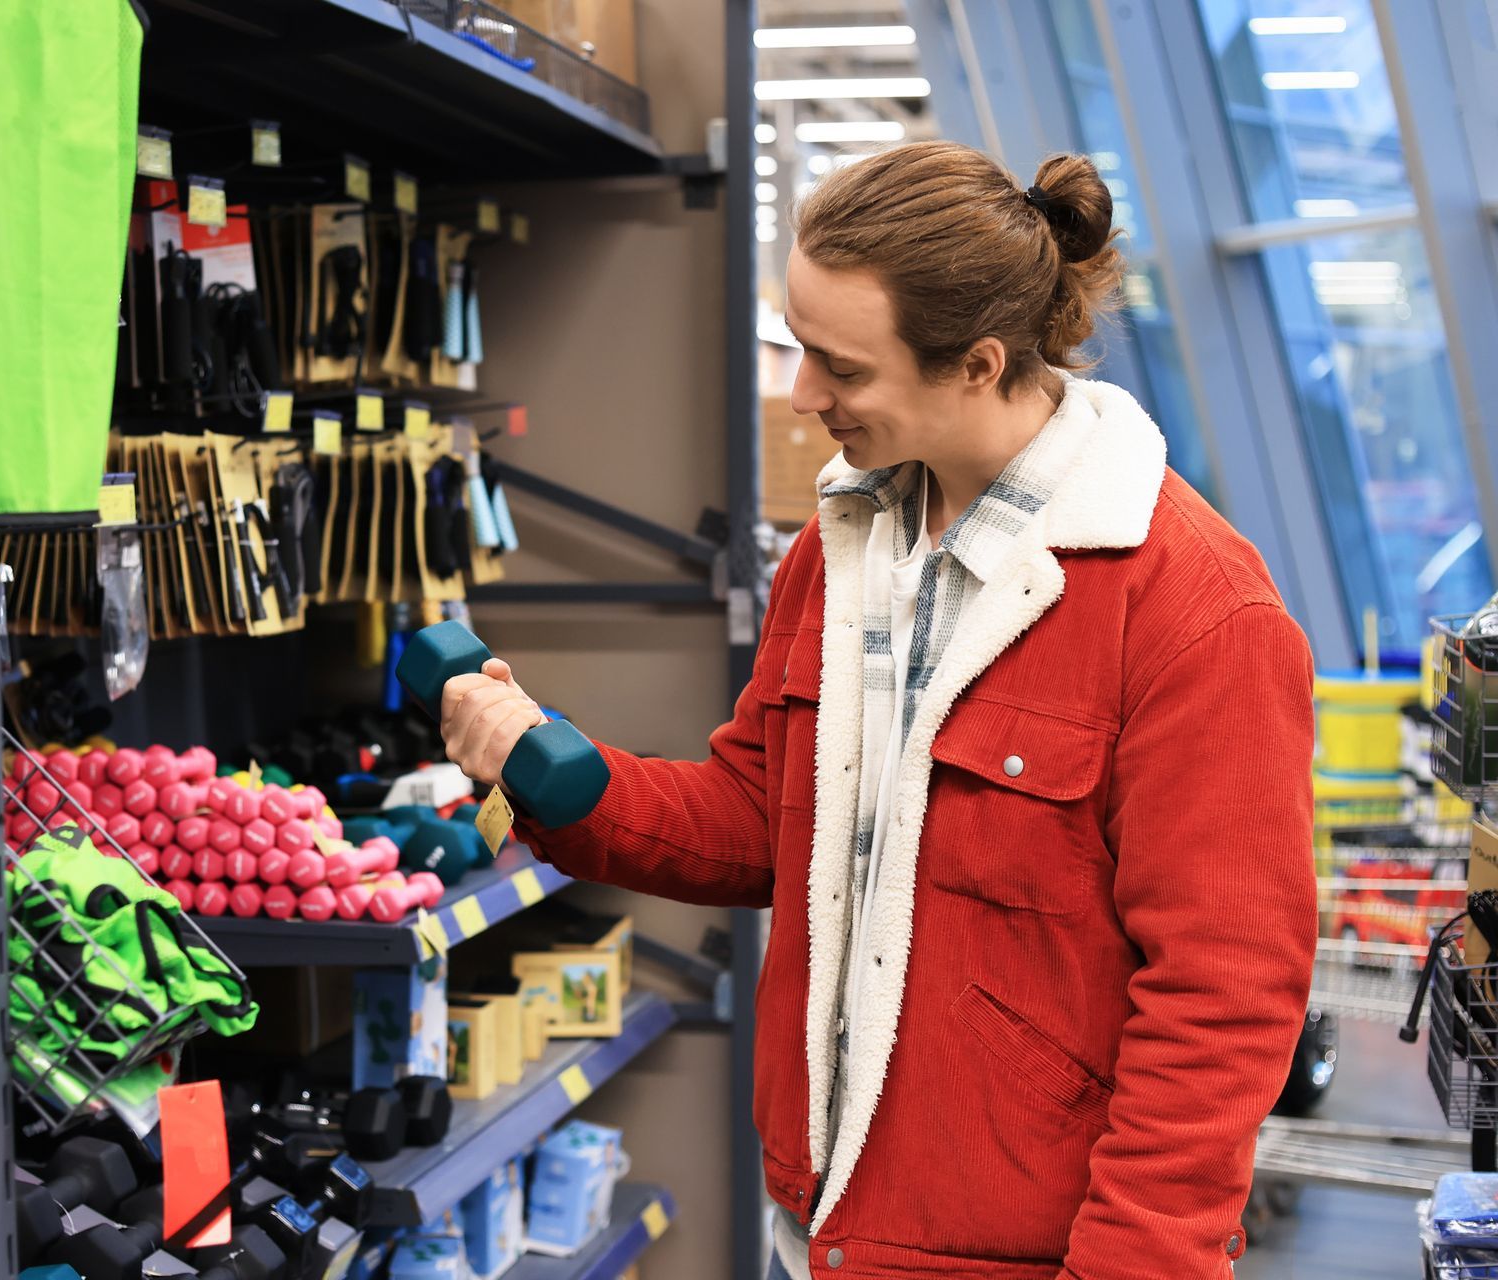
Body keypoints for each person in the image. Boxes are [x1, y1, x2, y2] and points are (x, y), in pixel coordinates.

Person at [438, 140, 1316, 1280]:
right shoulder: (840, 550)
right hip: (825, 1226)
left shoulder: (1194, 612)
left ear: (977, 365)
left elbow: (1224, 997)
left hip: (1035, 1255)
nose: (804, 395)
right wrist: (544, 763)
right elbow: (764, 818)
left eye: (836, 365)